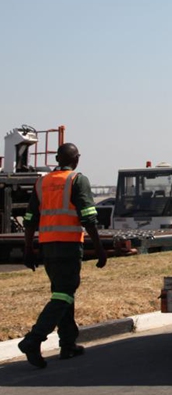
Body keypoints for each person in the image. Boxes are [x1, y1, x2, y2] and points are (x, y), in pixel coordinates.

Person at [18, 143, 107, 369]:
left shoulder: (42, 182)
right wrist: (99, 248)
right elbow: (88, 218)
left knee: (61, 292)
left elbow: (29, 219)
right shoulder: (77, 180)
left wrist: (28, 249)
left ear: (57, 159)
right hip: (68, 247)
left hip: (47, 247)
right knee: (65, 293)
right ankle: (34, 339)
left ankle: (68, 344)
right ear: (76, 159)